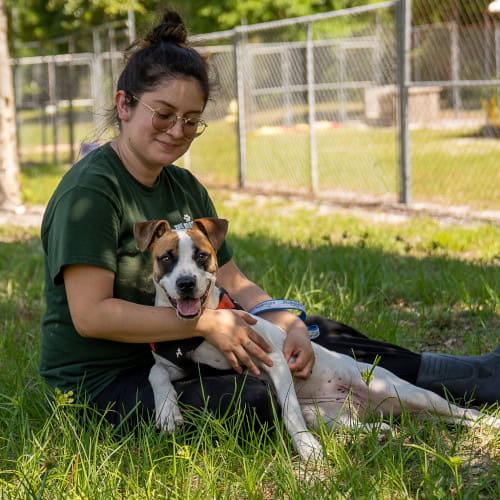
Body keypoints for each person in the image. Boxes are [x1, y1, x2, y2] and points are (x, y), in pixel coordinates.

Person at [40, 9, 499, 429]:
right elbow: (91, 316)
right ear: (125, 105)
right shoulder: (93, 193)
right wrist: (202, 324)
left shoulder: (182, 186)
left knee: (319, 337)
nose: (177, 131)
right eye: (163, 114)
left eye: (191, 120)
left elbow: (236, 282)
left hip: (190, 349)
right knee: (260, 397)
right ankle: (354, 419)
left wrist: (290, 322)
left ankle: (474, 378)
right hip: (112, 381)